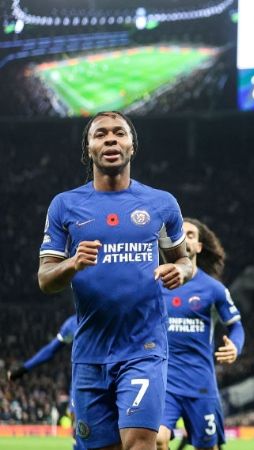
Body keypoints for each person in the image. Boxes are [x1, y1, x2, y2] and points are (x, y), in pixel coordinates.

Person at [38, 111, 192, 450]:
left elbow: (184, 260)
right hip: (90, 354)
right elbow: (46, 279)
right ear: (88, 148)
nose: (110, 139)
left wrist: (181, 270)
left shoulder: (161, 204)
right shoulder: (65, 206)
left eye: (119, 133)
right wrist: (72, 264)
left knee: (139, 443)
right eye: (101, 134)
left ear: (132, 146)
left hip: (143, 348)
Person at [156, 218, 245, 450]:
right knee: (157, 439)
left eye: (191, 235)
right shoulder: (156, 283)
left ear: (198, 248)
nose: (185, 237)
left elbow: (236, 326)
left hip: (201, 384)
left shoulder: (213, 289)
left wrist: (235, 346)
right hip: (165, 383)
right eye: (179, 232)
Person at [8, 314, 85, 450]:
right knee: (81, 433)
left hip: (111, 379)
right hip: (81, 384)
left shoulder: (110, 314)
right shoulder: (72, 324)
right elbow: (50, 350)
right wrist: (23, 369)